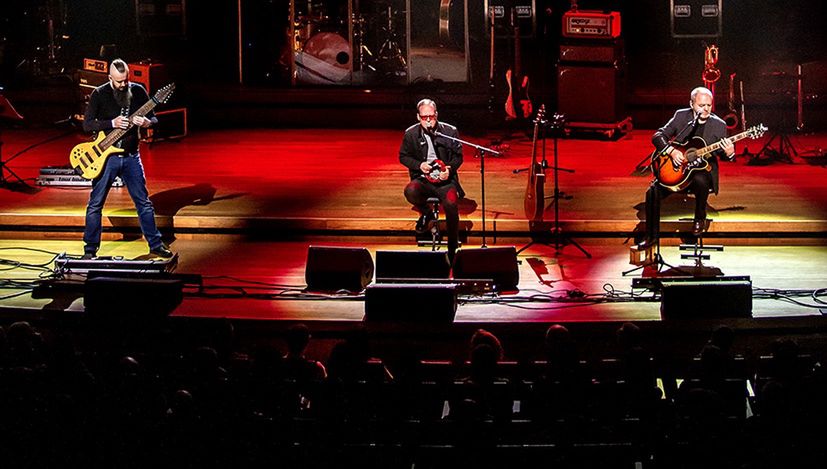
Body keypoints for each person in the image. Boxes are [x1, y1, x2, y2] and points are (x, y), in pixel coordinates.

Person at [82, 59, 172, 259]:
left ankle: (155, 244)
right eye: (119, 81)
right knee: (95, 204)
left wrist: (147, 122)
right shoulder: (99, 93)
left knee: (144, 202)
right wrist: (110, 122)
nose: (123, 85)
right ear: (110, 78)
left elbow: (155, 120)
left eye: (125, 80)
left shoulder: (138, 91)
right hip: (106, 159)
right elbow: (87, 125)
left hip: (131, 156)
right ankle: (89, 250)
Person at [641, 86, 735, 248]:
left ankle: (699, 218)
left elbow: (722, 154)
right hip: (678, 171)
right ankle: (651, 237)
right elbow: (658, 136)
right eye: (701, 106)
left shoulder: (719, 125)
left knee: (701, 180)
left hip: (701, 170)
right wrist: (671, 151)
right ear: (692, 104)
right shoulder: (681, 116)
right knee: (652, 193)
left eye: (709, 106)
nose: (705, 109)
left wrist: (730, 153)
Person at [399, 98, 464, 261]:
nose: (428, 120)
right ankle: (427, 213)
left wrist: (449, 169)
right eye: (424, 117)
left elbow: (458, 157)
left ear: (436, 115)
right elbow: (403, 156)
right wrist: (419, 165)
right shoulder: (411, 133)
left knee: (451, 203)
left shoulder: (449, 131)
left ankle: (452, 248)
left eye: (431, 116)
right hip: (423, 179)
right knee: (410, 191)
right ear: (418, 117)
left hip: (445, 181)